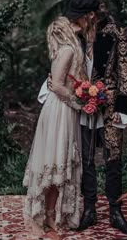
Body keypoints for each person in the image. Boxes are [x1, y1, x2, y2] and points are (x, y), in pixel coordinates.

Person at [64, 0, 127, 235]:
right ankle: (89, 210)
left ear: (91, 15)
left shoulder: (117, 32)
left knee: (112, 157)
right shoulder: (76, 34)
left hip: (110, 106)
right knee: (86, 158)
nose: (75, 22)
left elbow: (126, 71)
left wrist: (122, 109)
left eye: (79, 17)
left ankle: (116, 211)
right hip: (82, 104)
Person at [23, 16, 85, 231]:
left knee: (57, 164)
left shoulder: (64, 50)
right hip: (60, 109)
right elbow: (57, 86)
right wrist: (78, 102)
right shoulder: (67, 50)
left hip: (61, 108)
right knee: (54, 163)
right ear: (65, 31)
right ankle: (43, 217)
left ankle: (50, 215)